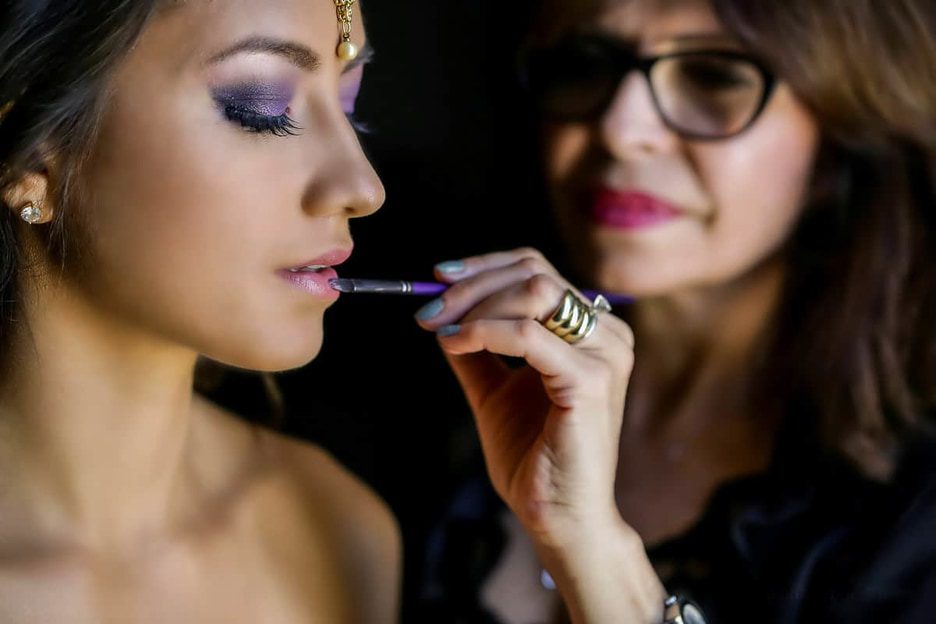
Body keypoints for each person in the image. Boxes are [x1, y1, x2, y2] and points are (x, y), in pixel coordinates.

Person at [415, 0, 936, 622]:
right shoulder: (425, 391)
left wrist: (593, 549)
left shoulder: (915, 511)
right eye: (589, 62)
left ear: (837, 132)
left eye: (713, 76)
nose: (619, 127)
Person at [0, 1, 400, 621]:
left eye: (349, 109)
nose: (361, 186)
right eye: (261, 107)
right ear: (31, 157)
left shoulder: (340, 530)